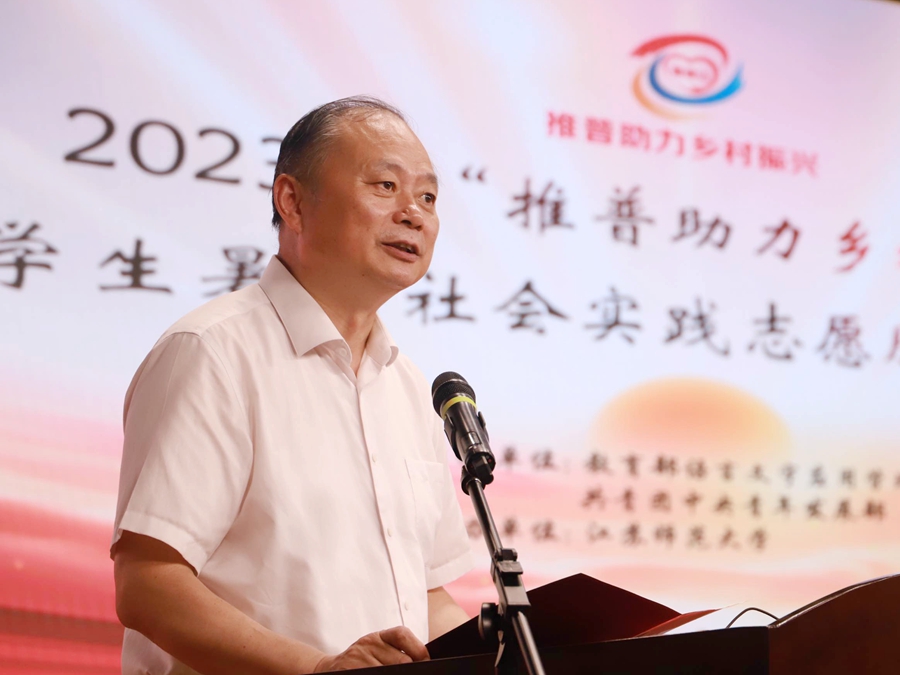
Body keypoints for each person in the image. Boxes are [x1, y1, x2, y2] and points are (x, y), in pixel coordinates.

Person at [111, 97, 473, 675]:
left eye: (428, 197)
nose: (414, 214)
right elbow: (149, 583)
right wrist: (317, 668)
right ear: (292, 201)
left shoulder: (408, 387)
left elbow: (425, 597)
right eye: (385, 186)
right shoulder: (214, 352)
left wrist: (524, 656)